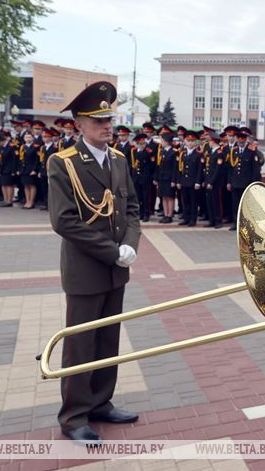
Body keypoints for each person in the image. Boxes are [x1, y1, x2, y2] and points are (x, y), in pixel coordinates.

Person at [47, 81, 141, 444]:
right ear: (79, 125)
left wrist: (130, 244)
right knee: (80, 345)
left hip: (116, 269)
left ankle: (101, 403)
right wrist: (111, 251)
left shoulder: (118, 159)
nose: (107, 125)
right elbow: (64, 221)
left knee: (107, 340)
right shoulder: (63, 162)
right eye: (98, 120)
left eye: (109, 119)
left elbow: (132, 208)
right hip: (86, 270)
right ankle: (73, 417)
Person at [227, 129, 258, 231]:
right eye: (239, 142)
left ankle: (246, 224)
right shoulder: (234, 151)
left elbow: (255, 169)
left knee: (246, 205)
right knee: (235, 204)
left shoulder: (251, 151)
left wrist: (253, 184)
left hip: (246, 183)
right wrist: (229, 182)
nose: (240, 143)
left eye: (242, 142)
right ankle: (236, 223)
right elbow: (230, 168)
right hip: (235, 182)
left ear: (245, 141)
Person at [177, 130, 204, 227]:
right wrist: (179, 181)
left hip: (193, 182)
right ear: (185, 141)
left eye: (192, 141)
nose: (190, 143)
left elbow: (200, 170)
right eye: (188, 141)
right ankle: (186, 218)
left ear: (195, 142)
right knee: (185, 200)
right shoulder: (183, 153)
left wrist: (198, 182)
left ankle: (193, 219)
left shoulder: (198, 154)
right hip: (184, 181)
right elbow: (180, 168)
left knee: (193, 202)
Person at [202, 131, 226, 228]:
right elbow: (208, 168)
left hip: (215, 182)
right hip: (209, 181)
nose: (209, 143)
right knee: (210, 201)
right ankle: (211, 220)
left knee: (216, 202)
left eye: (210, 141)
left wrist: (211, 182)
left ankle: (218, 221)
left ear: (213, 141)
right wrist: (206, 181)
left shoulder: (219, 153)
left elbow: (217, 170)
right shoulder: (212, 152)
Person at [130, 133, 156, 222]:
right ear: (136, 144)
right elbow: (132, 165)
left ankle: (146, 213)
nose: (142, 145)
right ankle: (140, 213)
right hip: (136, 178)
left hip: (145, 178)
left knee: (146, 197)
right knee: (138, 196)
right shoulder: (133, 151)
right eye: (140, 144)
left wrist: (150, 176)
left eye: (143, 143)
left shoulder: (149, 152)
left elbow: (152, 166)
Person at [154, 131, 178, 223]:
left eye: (162, 141)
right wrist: (156, 178)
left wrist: (174, 180)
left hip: (169, 178)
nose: (161, 142)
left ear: (167, 141)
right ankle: (165, 214)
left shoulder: (174, 152)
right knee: (163, 196)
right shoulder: (162, 151)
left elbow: (175, 168)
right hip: (162, 177)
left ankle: (170, 215)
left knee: (170, 197)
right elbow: (158, 165)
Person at [19, 130, 41, 209]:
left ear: (32, 138)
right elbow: (20, 159)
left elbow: (37, 160)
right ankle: (27, 201)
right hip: (24, 169)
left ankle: (31, 201)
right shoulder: (22, 147)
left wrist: (35, 169)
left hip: (31, 169)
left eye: (29, 137)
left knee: (31, 185)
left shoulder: (36, 147)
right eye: (26, 137)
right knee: (26, 185)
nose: (27, 139)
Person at [0, 131, 19, 207]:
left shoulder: (11, 146)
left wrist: (14, 170)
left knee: (9, 184)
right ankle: (5, 199)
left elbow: (14, 160)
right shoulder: (0, 147)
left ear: (2, 140)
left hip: (9, 168)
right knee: (3, 184)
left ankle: (9, 201)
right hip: (2, 168)